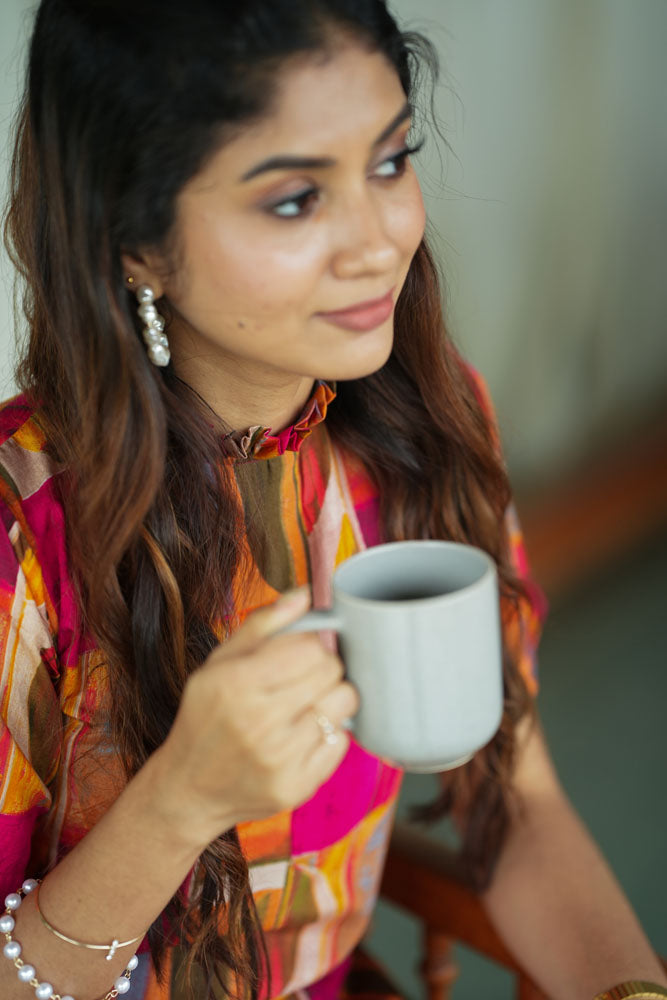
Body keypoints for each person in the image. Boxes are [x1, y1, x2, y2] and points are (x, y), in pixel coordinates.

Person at [0, 2, 664, 1000]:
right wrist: (178, 804)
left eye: (391, 161)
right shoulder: (23, 530)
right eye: (295, 200)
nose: (378, 242)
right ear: (133, 240)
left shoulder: (433, 427)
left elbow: (513, 804)